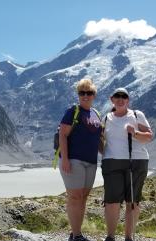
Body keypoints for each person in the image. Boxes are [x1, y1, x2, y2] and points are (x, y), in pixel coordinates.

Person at [101, 87, 153, 241]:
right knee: (111, 202)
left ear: (128, 100)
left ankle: (128, 237)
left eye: (124, 96)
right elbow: (101, 141)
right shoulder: (106, 118)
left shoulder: (137, 115)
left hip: (136, 161)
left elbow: (149, 136)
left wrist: (134, 133)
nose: (120, 99)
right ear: (112, 99)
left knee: (132, 201)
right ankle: (110, 237)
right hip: (111, 162)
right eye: (117, 96)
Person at [59, 78, 103, 241]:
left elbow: (99, 139)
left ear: (94, 95)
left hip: (91, 162)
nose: (85, 96)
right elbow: (63, 135)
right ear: (78, 95)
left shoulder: (96, 113)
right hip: (73, 160)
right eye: (82, 93)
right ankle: (76, 235)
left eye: (89, 93)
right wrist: (65, 159)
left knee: (83, 197)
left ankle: (76, 232)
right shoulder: (73, 111)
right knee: (75, 196)